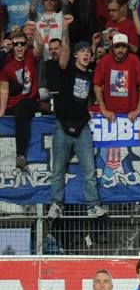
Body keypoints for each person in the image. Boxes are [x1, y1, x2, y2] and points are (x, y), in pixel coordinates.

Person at [47, 37, 107, 218]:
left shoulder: (89, 73)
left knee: (89, 171)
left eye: (88, 52)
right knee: (58, 170)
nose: (86, 54)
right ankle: (56, 204)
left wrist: (95, 47)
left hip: (82, 127)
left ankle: (93, 206)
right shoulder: (66, 69)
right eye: (82, 51)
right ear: (74, 55)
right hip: (62, 125)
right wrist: (65, 29)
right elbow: (64, 53)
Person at [0, 28, 41, 170]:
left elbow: (40, 45)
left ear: (26, 45)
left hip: (30, 100)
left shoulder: (31, 56)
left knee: (23, 111)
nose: (19, 47)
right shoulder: (7, 65)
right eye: (16, 44)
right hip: (13, 102)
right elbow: (4, 90)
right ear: (12, 46)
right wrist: (1, 112)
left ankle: (21, 155)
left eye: (22, 44)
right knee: (17, 110)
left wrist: (35, 29)